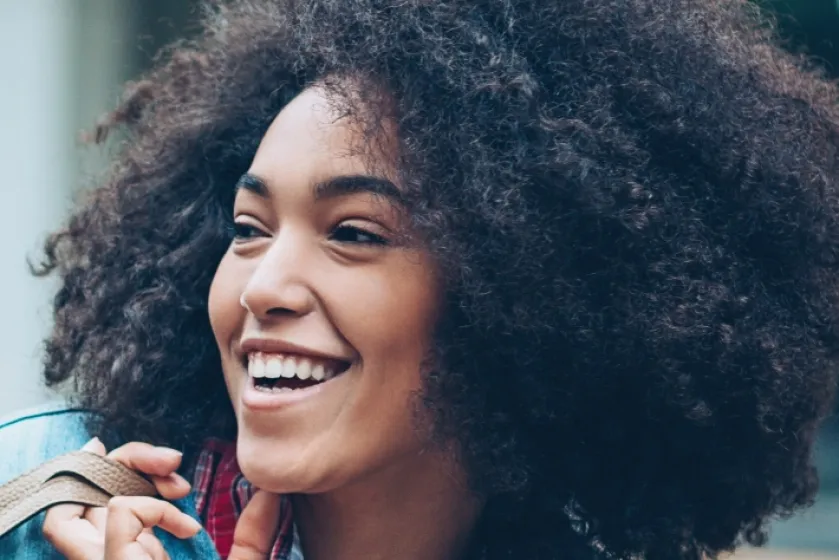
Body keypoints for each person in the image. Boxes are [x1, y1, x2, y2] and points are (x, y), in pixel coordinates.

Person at [3, 0, 839, 558]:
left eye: (354, 233)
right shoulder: (43, 495)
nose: (264, 287)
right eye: (248, 230)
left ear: (520, 298)